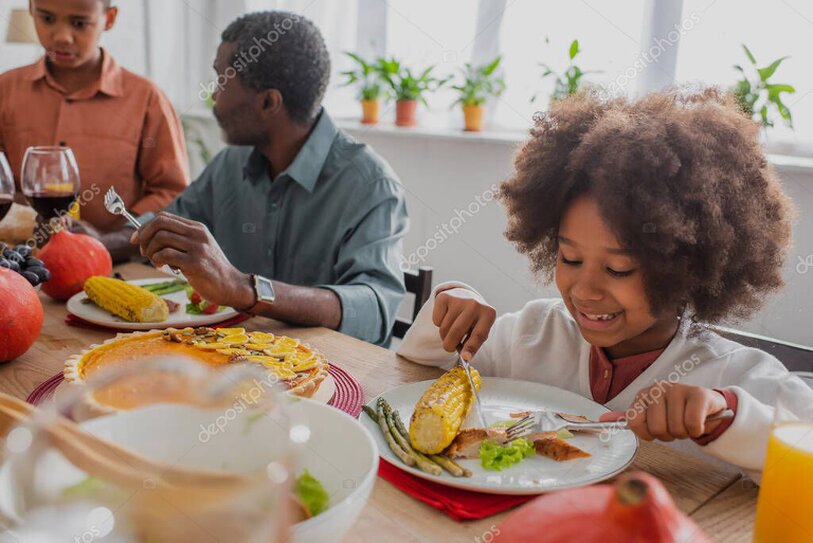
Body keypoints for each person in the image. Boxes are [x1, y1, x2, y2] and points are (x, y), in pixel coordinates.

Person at [397, 88, 813, 478]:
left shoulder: (734, 373)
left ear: (686, 271)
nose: (584, 290)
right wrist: (450, 308)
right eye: (570, 258)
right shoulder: (532, 333)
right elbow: (415, 374)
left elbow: (803, 439)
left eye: (618, 269)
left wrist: (727, 414)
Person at [103, 11, 408, 346]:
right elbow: (166, 229)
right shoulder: (231, 164)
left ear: (268, 102)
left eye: (221, 81)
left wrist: (243, 288)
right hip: (236, 363)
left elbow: (374, 311)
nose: (213, 98)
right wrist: (94, 244)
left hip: (331, 380)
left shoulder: (370, 184)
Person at [0, 0, 189, 232]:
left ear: (108, 19)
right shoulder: (5, 89)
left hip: (120, 263)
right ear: (31, 9)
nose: (62, 37)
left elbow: (173, 193)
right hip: (20, 259)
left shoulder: (147, 99)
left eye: (79, 23)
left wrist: (113, 240)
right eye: (47, 19)